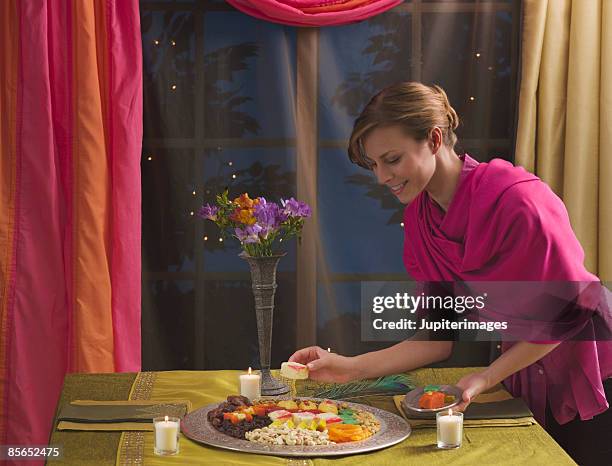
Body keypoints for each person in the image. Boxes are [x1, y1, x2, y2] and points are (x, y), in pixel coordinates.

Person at [289, 82, 612, 465]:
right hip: (527, 368)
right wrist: (349, 367)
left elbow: (568, 314)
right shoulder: (421, 219)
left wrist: (487, 377)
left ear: (434, 139)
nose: (381, 177)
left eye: (392, 159)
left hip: (597, 365)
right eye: (374, 165)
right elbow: (436, 339)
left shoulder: (521, 201)